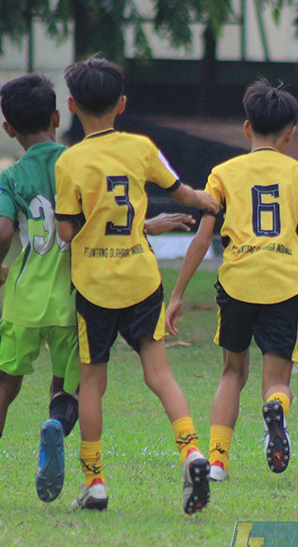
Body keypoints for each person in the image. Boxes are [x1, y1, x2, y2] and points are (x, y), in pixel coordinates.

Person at [0, 73, 195, 509]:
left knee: (2, 383)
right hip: (75, 296)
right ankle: (57, 423)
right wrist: (149, 226)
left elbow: (2, 229)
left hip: (25, 299)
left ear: (8, 129)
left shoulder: (12, 176)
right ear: (58, 116)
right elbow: (100, 221)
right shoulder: (79, 159)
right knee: (70, 388)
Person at [166, 79, 298, 482]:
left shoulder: (222, 173)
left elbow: (202, 239)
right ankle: (276, 407)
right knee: (276, 381)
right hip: (285, 284)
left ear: (246, 128)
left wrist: (176, 295)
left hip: (238, 280)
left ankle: (218, 463)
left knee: (231, 373)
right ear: (291, 134)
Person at [54, 56, 219, 514]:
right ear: (122, 104)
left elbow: (67, 233)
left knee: (93, 382)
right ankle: (191, 450)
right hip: (142, 280)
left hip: (95, 288)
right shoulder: (141, 147)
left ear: (71, 105)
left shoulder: (69, 162)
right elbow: (183, 193)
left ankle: (95, 482)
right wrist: (204, 200)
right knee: (159, 373)